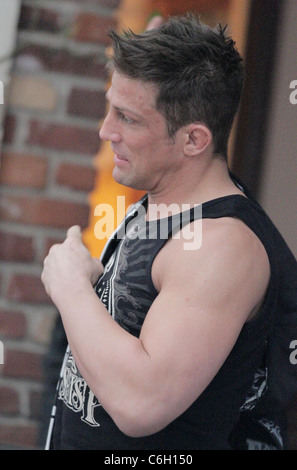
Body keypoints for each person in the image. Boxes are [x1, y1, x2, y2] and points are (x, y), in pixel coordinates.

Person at [41, 14, 296, 450]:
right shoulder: (161, 203)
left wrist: (70, 289)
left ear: (194, 140)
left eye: (128, 117)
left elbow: (142, 404)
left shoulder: (222, 245)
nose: (107, 131)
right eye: (110, 107)